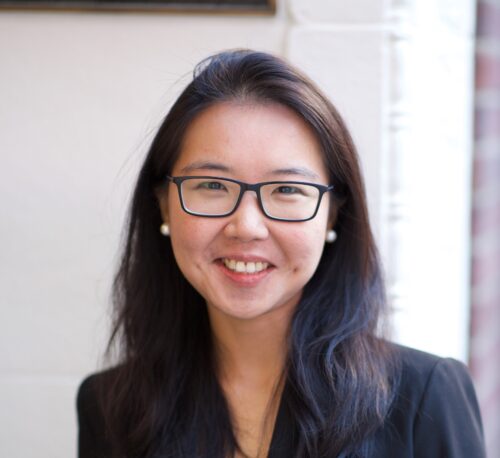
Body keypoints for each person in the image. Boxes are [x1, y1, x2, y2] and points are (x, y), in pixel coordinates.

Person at [77, 49, 485, 458]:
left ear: (333, 216)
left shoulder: (424, 398)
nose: (247, 227)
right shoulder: (110, 405)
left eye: (287, 190)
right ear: (164, 204)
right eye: (213, 186)